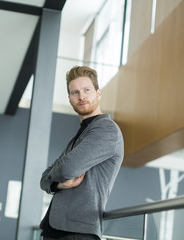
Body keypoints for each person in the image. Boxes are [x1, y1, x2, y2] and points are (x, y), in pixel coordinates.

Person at [40, 65, 124, 240]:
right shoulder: (80, 135)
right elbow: (44, 179)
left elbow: (66, 169)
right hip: (57, 229)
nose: (81, 96)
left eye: (87, 90)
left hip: (77, 232)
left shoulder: (106, 129)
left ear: (98, 93)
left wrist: (57, 173)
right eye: (75, 92)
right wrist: (59, 184)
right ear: (70, 99)